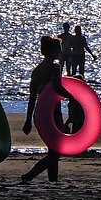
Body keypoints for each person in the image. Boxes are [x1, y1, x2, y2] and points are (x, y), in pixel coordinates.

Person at [21, 35, 70, 183]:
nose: (61, 52)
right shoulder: (54, 67)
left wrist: (28, 120)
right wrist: (72, 96)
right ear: (54, 50)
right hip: (53, 112)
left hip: (39, 114)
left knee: (52, 149)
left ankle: (52, 180)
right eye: (59, 49)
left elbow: (32, 97)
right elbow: (57, 87)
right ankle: (30, 175)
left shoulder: (37, 70)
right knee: (56, 151)